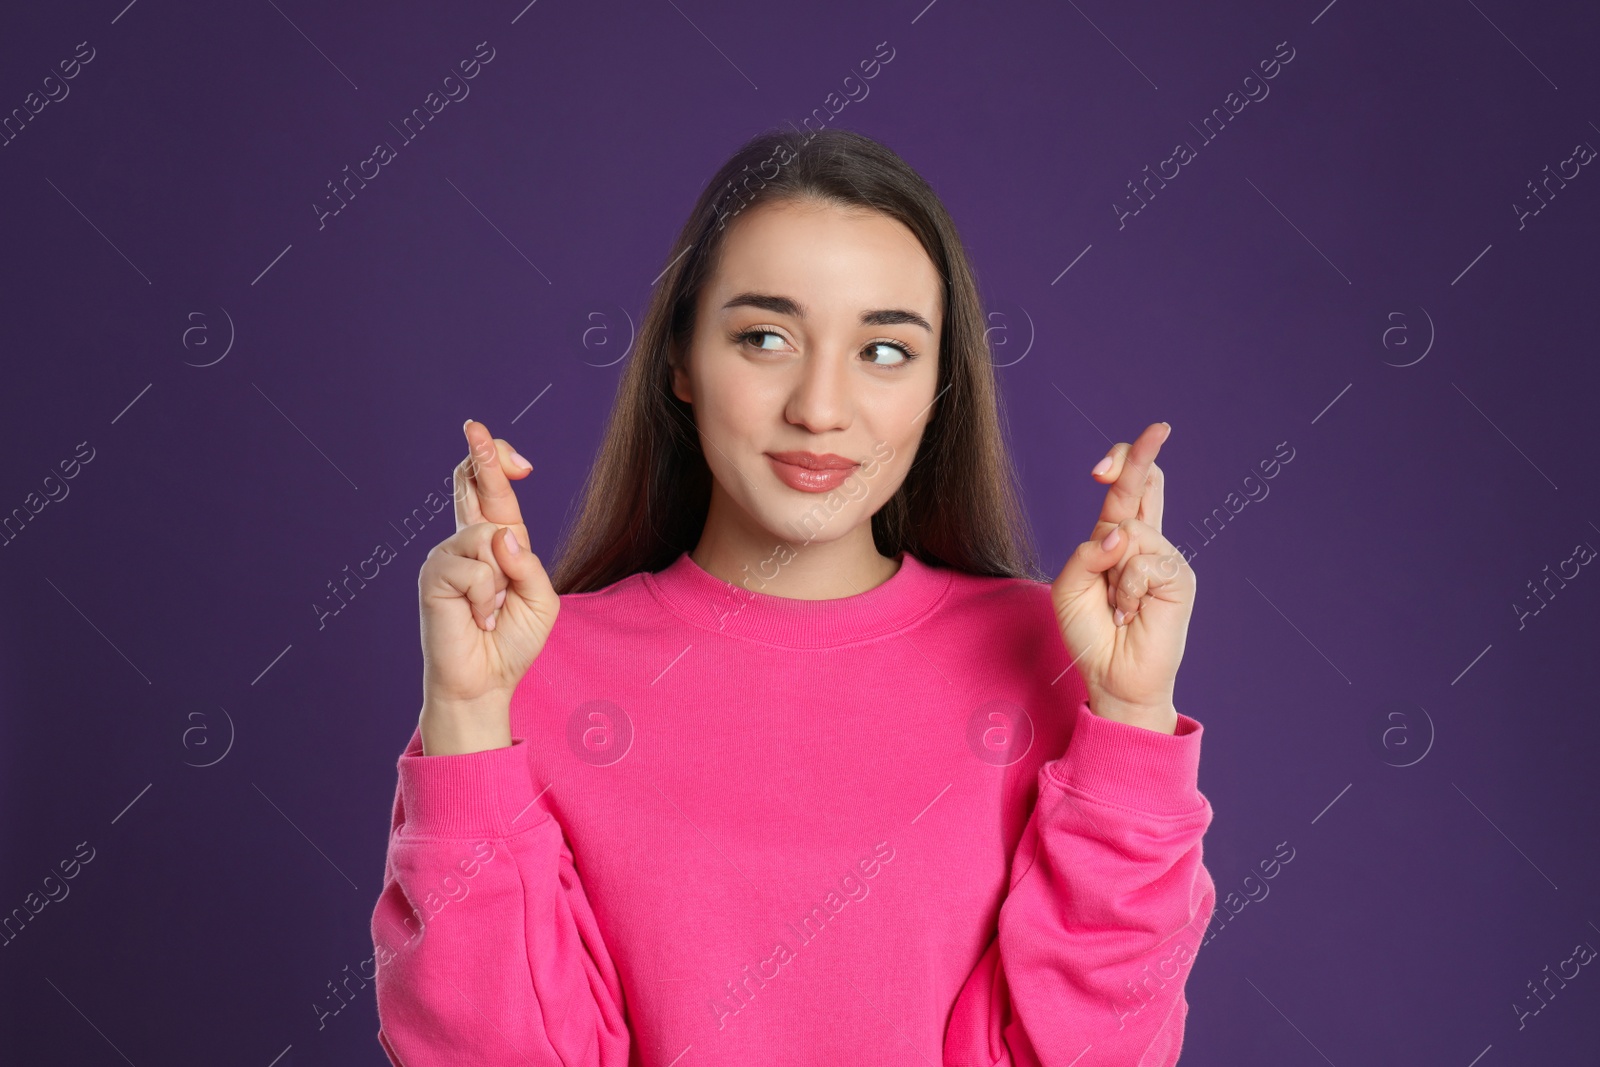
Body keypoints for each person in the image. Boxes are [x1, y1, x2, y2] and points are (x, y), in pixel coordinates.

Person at [369, 126, 1213, 1066]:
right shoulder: (534, 671)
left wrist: (1132, 715)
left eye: (885, 350)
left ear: (941, 387)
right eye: (764, 336)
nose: (819, 406)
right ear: (681, 362)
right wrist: (466, 713)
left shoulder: (1051, 653)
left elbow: (1088, 1048)